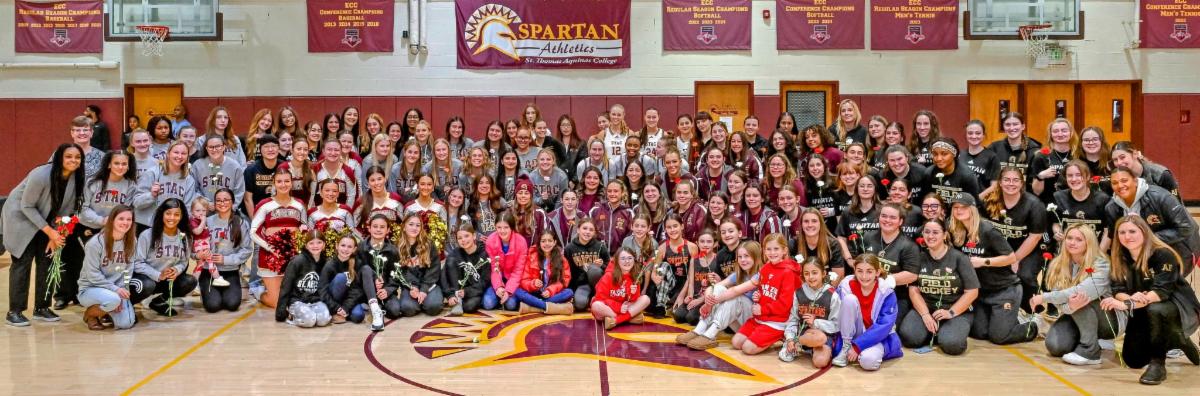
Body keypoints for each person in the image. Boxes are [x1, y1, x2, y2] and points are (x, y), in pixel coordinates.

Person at [1100, 215, 1200, 385]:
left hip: (1176, 307)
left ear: (1144, 232)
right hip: (1141, 307)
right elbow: (1118, 290)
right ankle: (1176, 338)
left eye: (1132, 231)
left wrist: (1128, 304)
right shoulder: (1119, 256)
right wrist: (1130, 298)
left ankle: (1158, 364)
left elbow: (1160, 293)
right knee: (1133, 360)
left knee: (1157, 309)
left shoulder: (1163, 254)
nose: (1127, 236)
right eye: (1122, 232)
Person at [4, 143, 85, 326]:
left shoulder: (75, 178)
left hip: (47, 221)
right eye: (68, 156)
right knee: (22, 263)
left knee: (47, 261)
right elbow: (27, 206)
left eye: (77, 157)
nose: (73, 160)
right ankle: (14, 311)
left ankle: (41, 307)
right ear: (59, 158)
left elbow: (66, 211)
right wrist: (50, 232)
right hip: (21, 217)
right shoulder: (40, 174)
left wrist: (54, 235)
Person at [946, 192, 1035, 345]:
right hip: (981, 293)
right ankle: (1007, 319)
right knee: (979, 333)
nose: (959, 210)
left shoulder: (987, 229)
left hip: (1004, 289)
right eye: (955, 207)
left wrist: (983, 262)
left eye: (963, 207)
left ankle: (1031, 325)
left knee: (999, 337)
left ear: (973, 209)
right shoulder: (954, 229)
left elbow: (1011, 258)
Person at [1030, 225, 1122, 366]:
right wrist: (1070, 307)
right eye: (1069, 238)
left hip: (1109, 320)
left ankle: (1090, 352)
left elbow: (1081, 292)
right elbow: (1059, 301)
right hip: (1076, 313)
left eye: (1079, 239)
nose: (1072, 242)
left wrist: (1044, 297)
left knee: (1081, 297)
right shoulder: (1058, 264)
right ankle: (1091, 339)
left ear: (1089, 242)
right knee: (1055, 346)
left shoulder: (1101, 264)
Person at [900, 220, 980, 356]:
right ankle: (936, 332)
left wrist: (951, 313)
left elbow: (972, 292)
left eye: (935, 232)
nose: (930, 236)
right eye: (927, 232)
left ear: (944, 235)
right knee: (909, 338)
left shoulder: (960, 258)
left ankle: (945, 333)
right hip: (927, 308)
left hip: (955, 310)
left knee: (953, 346)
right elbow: (914, 290)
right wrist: (925, 315)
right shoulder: (919, 258)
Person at [1105, 167, 1199, 275]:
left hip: (1174, 253)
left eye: (1124, 180)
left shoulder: (1160, 196)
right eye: (1115, 183)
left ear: (1135, 180)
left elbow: (1186, 228)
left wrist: (1149, 238)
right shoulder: (1111, 208)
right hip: (1137, 259)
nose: (1120, 186)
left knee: (1164, 289)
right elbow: (1115, 239)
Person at [980, 167, 1047, 310]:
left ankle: (1031, 311)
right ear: (1000, 183)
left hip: (1028, 249)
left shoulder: (1034, 204)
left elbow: (1035, 237)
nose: (1011, 183)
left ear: (1022, 184)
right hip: (999, 248)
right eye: (1007, 180)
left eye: (1016, 180)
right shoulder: (989, 201)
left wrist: (1015, 258)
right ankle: (997, 306)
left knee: (1025, 275)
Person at [679, 241, 763, 350]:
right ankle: (699, 329)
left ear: (756, 257)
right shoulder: (738, 274)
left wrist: (712, 302)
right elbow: (712, 288)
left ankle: (710, 335)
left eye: (746, 256)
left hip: (756, 323)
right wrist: (708, 302)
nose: (742, 260)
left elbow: (735, 291)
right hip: (741, 324)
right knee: (719, 288)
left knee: (737, 297)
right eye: (740, 257)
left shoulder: (760, 274)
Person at [846, 203, 921, 322]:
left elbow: (912, 275)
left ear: (900, 221)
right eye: (884, 216)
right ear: (879, 218)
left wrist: (881, 280)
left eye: (893, 217)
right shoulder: (867, 237)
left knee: (886, 327)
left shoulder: (909, 246)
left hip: (895, 296)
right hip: (865, 292)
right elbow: (858, 262)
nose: (887, 220)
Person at [731, 234, 800, 355]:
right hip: (760, 318)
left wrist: (762, 309)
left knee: (748, 349)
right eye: (768, 249)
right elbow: (764, 290)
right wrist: (758, 296)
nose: (772, 253)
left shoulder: (788, 272)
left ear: (784, 250)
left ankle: (781, 335)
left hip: (777, 322)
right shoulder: (765, 268)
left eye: (776, 249)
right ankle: (763, 337)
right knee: (736, 343)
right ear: (763, 250)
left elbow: (785, 305)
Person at [833, 254, 903, 369]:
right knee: (849, 299)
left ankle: (859, 350)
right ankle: (846, 347)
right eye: (860, 271)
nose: (864, 276)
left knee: (868, 362)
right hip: (852, 333)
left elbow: (884, 325)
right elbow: (837, 314)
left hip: (876, 337)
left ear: (877, 272)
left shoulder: (886, 291)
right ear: (854, 270)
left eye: (869, 271)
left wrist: (857, 346)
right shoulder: (845, 286)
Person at [130, 198, 198, 317]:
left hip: (165, 280)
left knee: (190, 281)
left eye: (176, 214)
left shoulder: (185, 237)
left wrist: (176, 270)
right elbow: (137, 263)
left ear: (182, 217)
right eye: (168, 213)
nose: (172, 218)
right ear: (162, 214)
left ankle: (158, 301)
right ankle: (127, 306)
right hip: (146, 279)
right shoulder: (147, 235)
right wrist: (157, 274)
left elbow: (183, 262)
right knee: (147, 286)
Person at [249, 171, 308, 307]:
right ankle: (259, 292)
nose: (283, 184)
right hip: (271, 255)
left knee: (292, 299)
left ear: (292, 182)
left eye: (287, 181)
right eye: (279, 181)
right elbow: (253, 232)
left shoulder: (299, 204)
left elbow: (304, 227)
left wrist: (299, 242)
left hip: (293, 255)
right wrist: (271, 247)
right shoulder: (265, 204)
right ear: (274, 184)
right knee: (276, 303)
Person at [77, 206, 140, 330]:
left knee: (125, 324)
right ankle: (90, 314)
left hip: (115, 291)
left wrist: (122, 289)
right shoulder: (95, 243)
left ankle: (107, 309)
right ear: (112, 220)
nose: (125, 222)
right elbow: (92, 274)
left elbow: (128, 269)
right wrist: (115, 291)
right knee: (113, 300)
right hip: (90, 289)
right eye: (121, 219)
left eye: (129, 219)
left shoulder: (132, 241)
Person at [779, 258, 842, 368]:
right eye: (806, 274)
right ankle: (794, 342)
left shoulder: (832, 295)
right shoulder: (799, 293)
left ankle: (798, 344)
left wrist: (816, 323)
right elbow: (793, 319)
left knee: (820, 362)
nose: (811, 277)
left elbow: (837, 325)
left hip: (824, 336)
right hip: (804, 334)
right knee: (817, 338)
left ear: (823, 273)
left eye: (814, 273)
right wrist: (789, 338)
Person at [199, 188, 252, 313]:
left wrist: (225, 259)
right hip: (210, 271)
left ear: (232, 202)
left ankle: (223, 291)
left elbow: (247, 249)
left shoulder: (241, 222)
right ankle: (206, 290)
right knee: (213, 306)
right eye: (218, 200)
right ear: (214, 203)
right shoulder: (207, 221)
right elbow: (195, 244)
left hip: (230, 271)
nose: (222, 203)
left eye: (226, 200)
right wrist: (199, 254)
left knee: (232, 304)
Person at [391, 213, 444, 317]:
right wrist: (412, 287)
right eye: (411, 224)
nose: (414, 228)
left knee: (433, 307)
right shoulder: (397, 246)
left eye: (418, 225)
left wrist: (423, 290)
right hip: (410, 286)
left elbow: (434, 269)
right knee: (408, 309)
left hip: (429, 284)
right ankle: (418, 303)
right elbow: (400, 272)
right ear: (404, 227)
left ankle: (427, 301)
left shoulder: (429, 244)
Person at [276, 231, 332, 328]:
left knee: (323, 320)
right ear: (306, 245)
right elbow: (286, 286)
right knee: (309, 321)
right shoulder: (297, 261)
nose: (315, 246)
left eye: (319, 242)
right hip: (298, 300)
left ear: (324, 244)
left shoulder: (326, 262)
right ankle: (292, 316)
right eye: (311, 243)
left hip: (315, 301)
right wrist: (281, 312)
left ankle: (312, 314)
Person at [1053, 160, 1112, 250]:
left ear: (1088, 176)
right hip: (1068, 251)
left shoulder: (1102, 199)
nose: (1074, 179)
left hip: (1095, 250)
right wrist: (1057, 232)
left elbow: (1107, 232)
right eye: (1070, 175)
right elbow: (1055, 223)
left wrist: (1099, 257)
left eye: (1078, 175)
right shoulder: (1058, 197)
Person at [647, 214, 698, 320]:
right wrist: (655, 278)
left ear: (682, 226)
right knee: (663, 266)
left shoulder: (692, 247)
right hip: (669, 286)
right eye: (669, 227)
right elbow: (655, 270)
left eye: (675, 226)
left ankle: (668, 305)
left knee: (680, 316)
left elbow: (692, 275)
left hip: (686, 285)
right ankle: (660, 305)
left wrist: (685, 293)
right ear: (665, 229)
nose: (672, 230)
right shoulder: (662, 248)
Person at [591, 247, 651, 329]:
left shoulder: (635, 276)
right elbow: (600, 298)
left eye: (630, 258)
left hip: (625, 308)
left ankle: (616, 321)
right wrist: (619, 307)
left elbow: (633, 301)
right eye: (623, 258)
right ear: (617, 261)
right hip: (610, 308)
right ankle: (629, 319)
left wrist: (633, 293)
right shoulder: (608, 276)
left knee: (646, 299)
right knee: (596, 305)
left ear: (634, 260)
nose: (627, 261)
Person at [514, 231, 574, 315]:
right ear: (539, 243)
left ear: (554, 242)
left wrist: (550, 290)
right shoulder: (531, 257)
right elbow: (524, 280)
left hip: (551, 295)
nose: (547, 244)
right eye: (543, 241)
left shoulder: (561, 259)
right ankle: (550, 307)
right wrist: (533, 283)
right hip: (534, 293)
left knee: (569, 292)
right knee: (517, 291)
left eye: (550, 241)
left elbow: (564, 280)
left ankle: (535, 306)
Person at [443, 224, 492, 315]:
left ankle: (470, 301)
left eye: (466, 236)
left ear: (474, 236)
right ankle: (457, 301)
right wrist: (450, 295)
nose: (463, 240)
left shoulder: (484, 254)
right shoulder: (455, 254)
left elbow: (485, 281)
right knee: (450, 261)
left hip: (474, 290)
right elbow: (444, 277)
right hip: (458, 289)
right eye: (460, 238)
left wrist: (467, 292)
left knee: (469, 307)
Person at [484, 215, 528, 311]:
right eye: (499, 227)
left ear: (511, 227)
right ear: (495, 227)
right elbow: (493, 268)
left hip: (513, 280)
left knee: (511, 305)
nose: (502, 231)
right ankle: (499, 297)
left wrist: (508, 290)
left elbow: (518, 271)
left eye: (506, 227)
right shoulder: (490, 241)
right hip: (496, 279)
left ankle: (505, 298)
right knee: (487, 303)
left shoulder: (521, 242)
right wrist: (498, 287)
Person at [1111, 141, 1180, 200]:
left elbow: (1176, 201)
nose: (1119, 162)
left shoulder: (1161, 174)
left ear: (1135, 154)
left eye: (1122, 157)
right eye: (1115, 160)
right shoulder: (1116, 177)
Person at [1030, 118, 1076, 204]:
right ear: (1050, 134)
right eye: (1055, 131)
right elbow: (1037, 192)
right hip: (1050, 205)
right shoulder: (1041, 156)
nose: (1060, 134)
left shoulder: (1078, 155)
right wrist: (1040, 176)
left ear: (1071, 133)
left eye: (1064, 130)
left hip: (1074, 204)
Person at [192, 135, 247, 204]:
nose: (214, 149)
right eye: (211, 147)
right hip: (204, 209)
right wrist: (206, 203)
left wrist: (231, 207)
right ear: (206, 148)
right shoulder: (197, 165)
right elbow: (194, 190)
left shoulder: (235, 167)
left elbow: (239, 191)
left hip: (227, 209)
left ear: (224, 147)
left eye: (218, 146)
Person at [959, 120, 996, 191]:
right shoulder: (959, 155)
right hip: (962, 200)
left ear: (983, 135)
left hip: (982, 200)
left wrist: (977, 199)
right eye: (970, 133)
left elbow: (994, 186)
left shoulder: (992, 157)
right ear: (966, 135)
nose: (974, 136)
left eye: (978, 133)